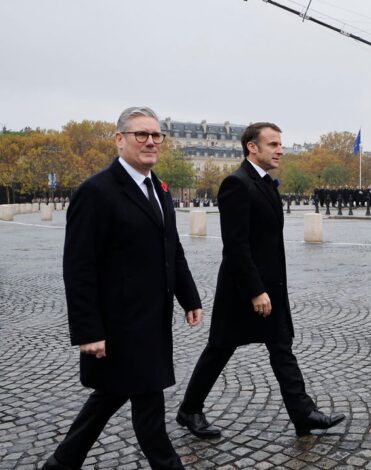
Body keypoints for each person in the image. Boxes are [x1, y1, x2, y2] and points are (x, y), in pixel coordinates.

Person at [42, 107, 203, 470]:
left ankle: (62, 462)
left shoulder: (159, 188)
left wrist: (188, 296)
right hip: (117, 322)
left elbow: (171, 247)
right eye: (140, 135)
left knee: (112, 393)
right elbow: (78, 267)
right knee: (148, 401)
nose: (150, 142)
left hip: (151, 318)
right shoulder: (95, 191)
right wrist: (88, 330)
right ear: (119, 139)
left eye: (156, 135)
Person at [177, 122, 345, 439]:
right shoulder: (236, 183)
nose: (280, 149)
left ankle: (303, 413)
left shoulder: (266, 183)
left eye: (280, 144)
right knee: (219, 349)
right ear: (252, 147)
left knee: (282, 347)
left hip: (270, 286)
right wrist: (256, 291)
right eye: (273, 144)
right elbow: (236, 244)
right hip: (242, 288)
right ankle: (189, 410)